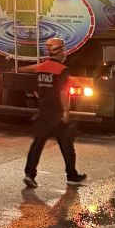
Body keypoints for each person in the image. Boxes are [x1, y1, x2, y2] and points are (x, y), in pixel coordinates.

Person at [20, 38, 86, 189]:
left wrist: (17, 68)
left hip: (43, 111)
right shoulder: (63, 70)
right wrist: (66, 111)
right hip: (57, 113)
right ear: (60, 51)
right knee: (67, 145)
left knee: (38, 143)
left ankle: (29, 174)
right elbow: (63, 92)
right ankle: (72, 176)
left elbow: (34, 84)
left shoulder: (42, 67)